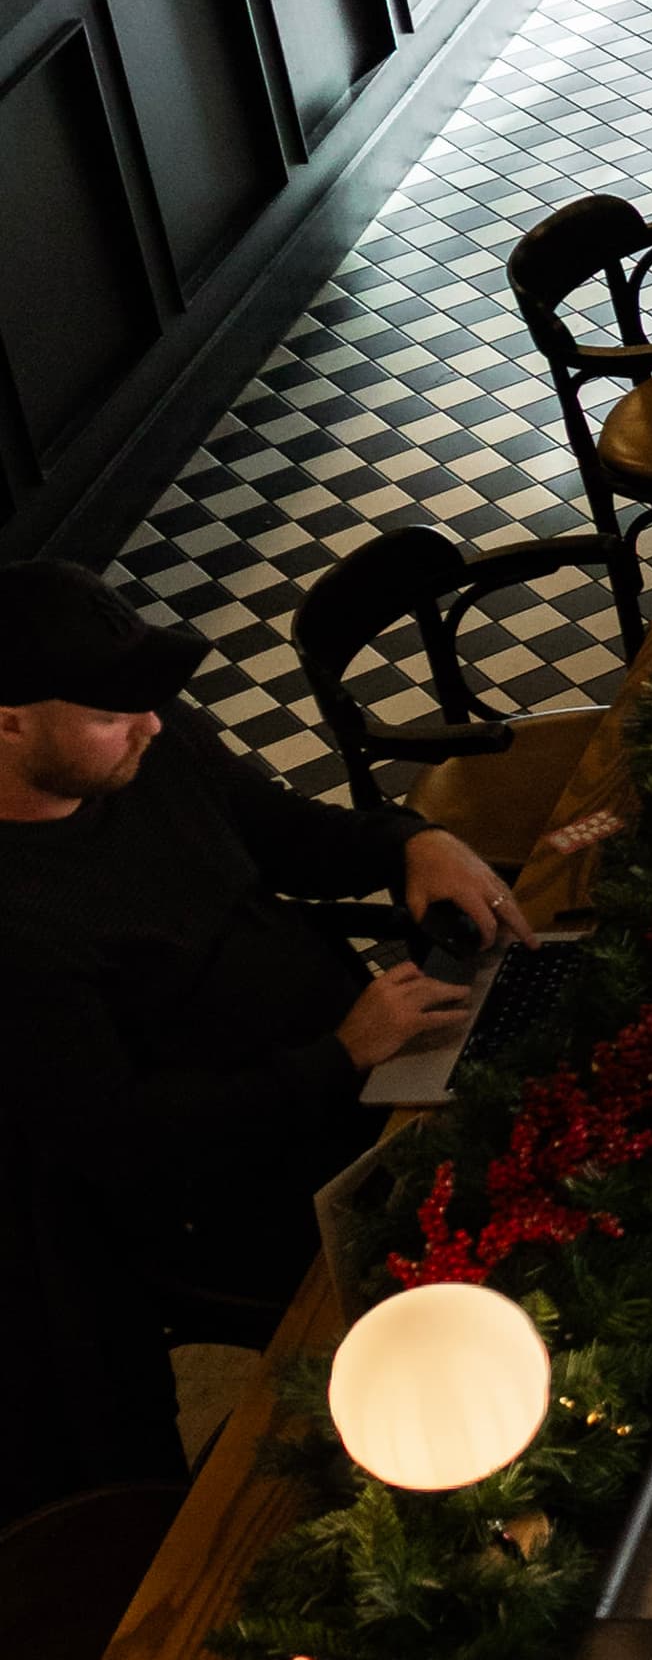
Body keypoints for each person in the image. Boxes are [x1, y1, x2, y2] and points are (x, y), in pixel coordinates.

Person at [0, 563, 509, 1503]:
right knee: (497, 1252)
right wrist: (342, 1054)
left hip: (357, 1068)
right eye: (115, 710)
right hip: (239, 1189)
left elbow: (274, 830)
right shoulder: (18, 930)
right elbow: (126, 1140)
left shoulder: (146, 747)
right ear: (10, 719)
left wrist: (406, 841)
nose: (152, 724)